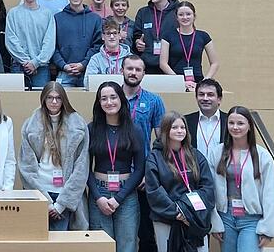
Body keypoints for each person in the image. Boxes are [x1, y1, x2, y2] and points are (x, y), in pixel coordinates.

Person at [207, 106, 274, 252]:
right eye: (231, 123)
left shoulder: (262, 156)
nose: (235, 127)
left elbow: (270, 194)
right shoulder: (217, 153)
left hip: (251, 219)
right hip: (225, 217)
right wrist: (214, 222)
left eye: (240, 123)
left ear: (249, 126)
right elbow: (210, 189)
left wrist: (267, 229)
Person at [19, 82, 89, 231]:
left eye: (58, 98)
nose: (54, 102)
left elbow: (81, 167)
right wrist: (47, 203)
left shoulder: (78, 125)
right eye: (50, 98)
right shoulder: (30, 126)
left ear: (64, 99)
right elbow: (26, 168)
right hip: (40, 192)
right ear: (43, 99)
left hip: (64, 195)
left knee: (62, 245)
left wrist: (60, 205)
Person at [87, 81, 145, 252]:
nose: (109, 102)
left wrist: (118, 198)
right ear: (99, 103)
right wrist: (98, 197)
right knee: (101, 246)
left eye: (113, 97)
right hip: (99, 193)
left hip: (126, 194)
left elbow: (140, 168)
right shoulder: (91, 129)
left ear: (121, 99)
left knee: (128, 245)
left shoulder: (135, 129)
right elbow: (85, 168)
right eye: (103, 98)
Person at [145, 111, 215, 252]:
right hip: (166, 219)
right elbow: (154, 190)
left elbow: (207, 187)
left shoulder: (196, 155)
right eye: (174, 127)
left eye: (182, 127)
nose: (179, 131)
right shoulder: (155, 157)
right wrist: (179, 213)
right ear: (165, 130)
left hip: (195, 219)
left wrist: (189, 213)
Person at [121, 54, 166, 252]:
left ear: (144, 73)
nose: (133, 73)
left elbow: (162, 141)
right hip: (117, 174)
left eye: (138, 69)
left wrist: (150, 173)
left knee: (146, 233)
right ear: (121, 70)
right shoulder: (112, 99)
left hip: (143, 178)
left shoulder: (154, 101)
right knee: (118, 231)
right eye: (129, 68)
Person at [5, 0, 56, 89]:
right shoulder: (13, 13)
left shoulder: (47, 14)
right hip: (18, 66)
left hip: (41, 68)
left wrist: (36, 62)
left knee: (41, 102)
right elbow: (11, 40)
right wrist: (26, 61)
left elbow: (49, 41)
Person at [52, 0, 103, 87]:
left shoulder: (95, 19)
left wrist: (83, 64)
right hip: (64, 72)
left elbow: (98, 45)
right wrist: (64, 65)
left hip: (89, 71)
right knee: (61, 102)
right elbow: (52, 46)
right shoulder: (57, 18)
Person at [159, 1, 219, 91]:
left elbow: (215, 63)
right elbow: (163, 64)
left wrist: (205, 81)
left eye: (188, 14)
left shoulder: (203, 36)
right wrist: (179, 81)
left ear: (194, 16)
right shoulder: (168, 36)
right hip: (175, 81)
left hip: (198, 82)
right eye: (181, 15)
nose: (185, 17)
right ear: (176, 17)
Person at [133, 0, 179, 74]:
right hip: (148, 63)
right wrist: (137, 42)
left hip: (172, 63)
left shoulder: (177, 12)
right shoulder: (143, 12)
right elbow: (137, 34)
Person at [84, 17, 132, 88]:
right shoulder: (95, 59)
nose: (112, 37)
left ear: (119, 36)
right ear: (103, 36)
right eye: (108, 33)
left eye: (115, 33)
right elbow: (87, 82)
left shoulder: (130, 58)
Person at [185, 79, 228, 157]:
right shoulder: (186, 121)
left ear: (219, 99)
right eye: (201, 94)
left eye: (210, 95)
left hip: (222, 168)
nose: (205, 98)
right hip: (195, 168)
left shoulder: (229, 121)